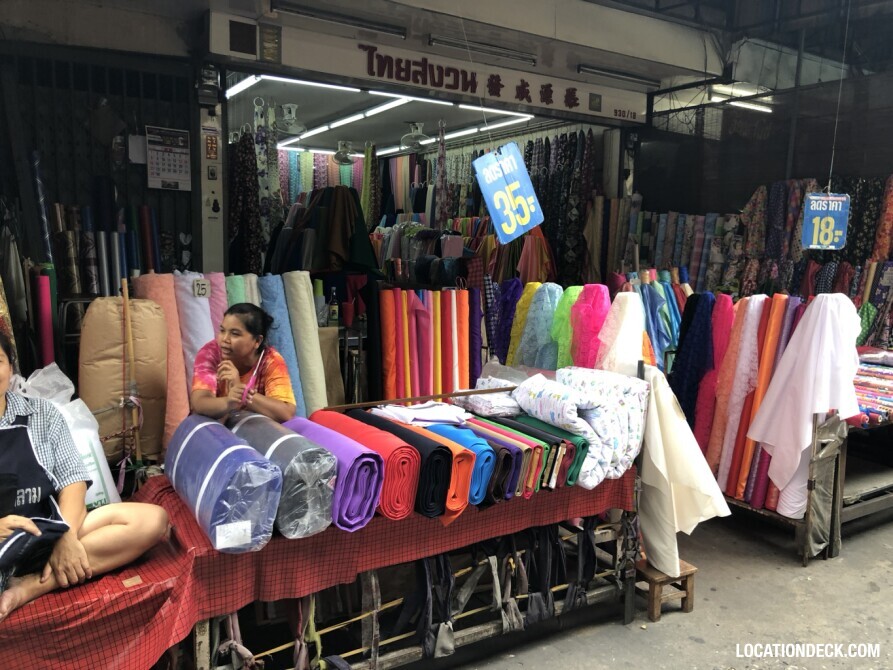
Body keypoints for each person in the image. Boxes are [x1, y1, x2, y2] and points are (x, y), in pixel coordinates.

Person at [0, 331, 169, 623]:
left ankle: (29, 587)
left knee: (152, 521)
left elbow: (73, 482)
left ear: (11, 367)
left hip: (45, 533)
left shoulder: (41, 413)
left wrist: (64, 535)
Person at [191, 303, 296, 422]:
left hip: (256, 429)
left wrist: (241, 391)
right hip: (216, 430)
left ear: (257, 340)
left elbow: (286, 412)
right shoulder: (210, 353)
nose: (224, 339)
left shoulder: (271, 360)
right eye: (222, 330)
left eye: (234, 333)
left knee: (300, 424)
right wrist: (229, 401)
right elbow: (199, 403)